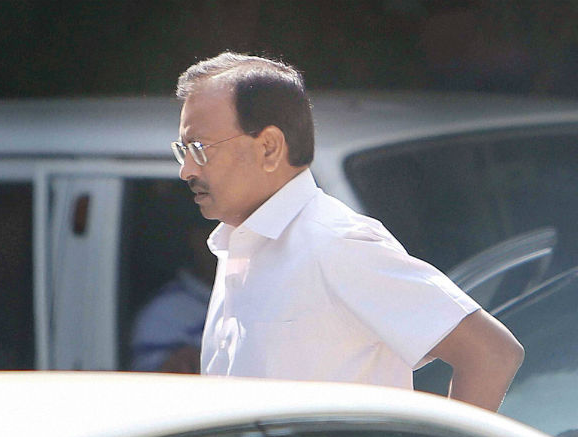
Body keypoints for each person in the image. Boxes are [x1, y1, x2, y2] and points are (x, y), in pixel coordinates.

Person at [172, 51, 524, 411]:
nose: (187, 170)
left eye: (199, 148)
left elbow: (491, 354)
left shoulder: (335, 243)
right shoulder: (239, 245)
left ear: (269, 147)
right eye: (183, 150)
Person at [130, 220, 216, 373]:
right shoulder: (164, 313)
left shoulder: (251, 296)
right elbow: (149, 381)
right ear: (197, 240)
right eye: (214, 235)